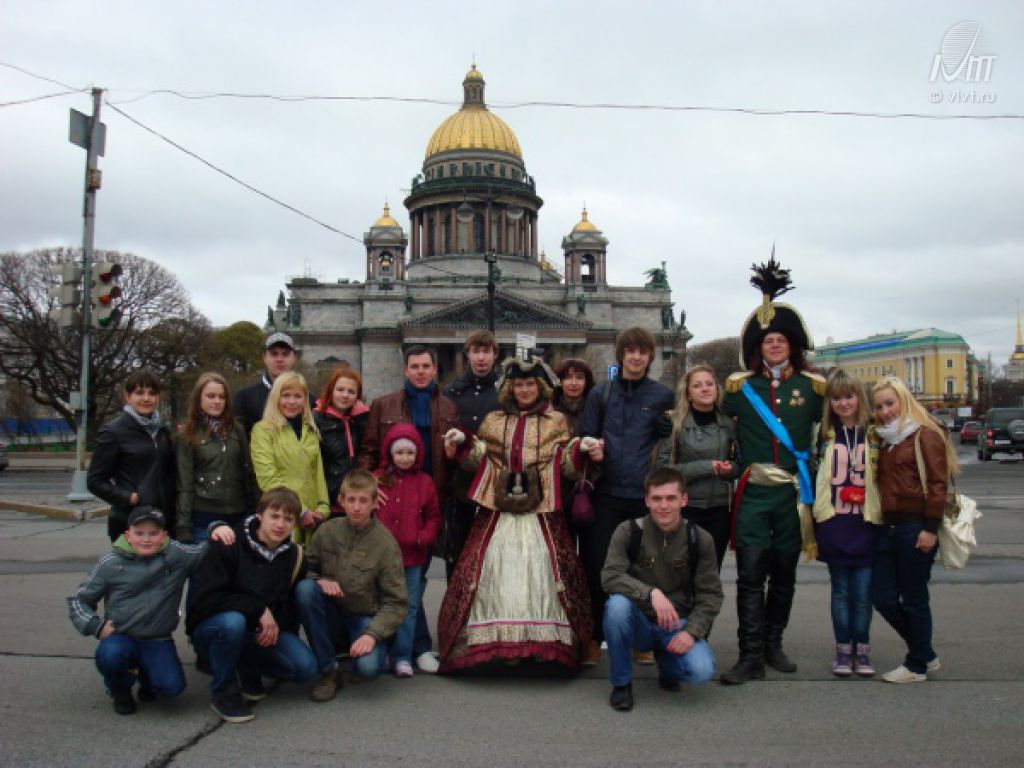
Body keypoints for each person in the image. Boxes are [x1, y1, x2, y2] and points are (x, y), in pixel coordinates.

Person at [437, 357, 600, 672]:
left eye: (529, 384)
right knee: (495, 571)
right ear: (510, 388)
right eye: (518, 385)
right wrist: (464, 441)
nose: (524, 390)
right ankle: (502, 643)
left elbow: (565, 466)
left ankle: (541, 644)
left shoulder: (556, 421)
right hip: (499, 511)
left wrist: (579, 450)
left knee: (545, 572)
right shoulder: (493, 420)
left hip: (542, 512)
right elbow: (479, 459)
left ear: (539, 387)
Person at [720, 256, 825, 685]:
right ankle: (749, 655)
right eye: (768, 341)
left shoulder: (813, 388)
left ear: (792, 345)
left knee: (784, 576)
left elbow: (834, 427)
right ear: (757, 348)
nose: (775, 346)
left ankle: (773, 644)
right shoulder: (740, 388)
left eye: (781, 340)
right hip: (754, 492)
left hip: (792, 496)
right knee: (749, 576)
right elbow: (710, 417)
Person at [68, 506, 235, 715]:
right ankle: (120, 690)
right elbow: (79, 599)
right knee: (111, 656)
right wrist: (96, 626)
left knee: (172, 688)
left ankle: (147, 678)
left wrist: (217, 528)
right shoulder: (111, 563)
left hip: (158, 638)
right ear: (128, 535)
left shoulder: (176, 554)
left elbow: (204, 551)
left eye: (153, 533)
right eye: (139, 533)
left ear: (163, 535)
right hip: (121, 635)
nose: (146, 539)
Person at [359, 345, 460, 673]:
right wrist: (369, 488)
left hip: (428, 501)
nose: (420, 372)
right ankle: (409, 648)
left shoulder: (448, 407)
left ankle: (411, 648)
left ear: (434, 369)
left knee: (416, 582)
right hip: (391, 502)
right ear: (405, 370)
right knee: (392, 584)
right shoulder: (383, 404)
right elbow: (368, 452)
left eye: (425, 366)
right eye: (414, 366)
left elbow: (455, 460)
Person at [580, 327, 674, 666]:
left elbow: (672, 444)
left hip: (643, 496)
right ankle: (594, 637)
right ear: (620, 355)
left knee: (645, 570)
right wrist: (591, 448)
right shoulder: (601, 393)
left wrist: (668, 431)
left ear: (649, 356)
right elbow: (585, 436)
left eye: (642, 351)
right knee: (598, 567)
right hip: (605, 494)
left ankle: (641, 639)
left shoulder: (662, 395)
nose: (635, 357)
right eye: (630, 351)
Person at [186, 487, 318, 723]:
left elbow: (288, 607)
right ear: (259, 515)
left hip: (256, 632)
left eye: (288, 519)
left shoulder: (294, 556)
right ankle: (223, 692)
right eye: (274, 516)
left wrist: (275, 630)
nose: (280, 524)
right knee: (233, 623)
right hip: (216, 626)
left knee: (304, 667)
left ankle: (247, 667)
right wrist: (258, 610)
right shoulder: (229, 543)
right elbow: (206, 599)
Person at [601, 467, 722, 711]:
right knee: (616, 607)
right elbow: (610, 576)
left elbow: (710, 595)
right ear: (647, 500)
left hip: (677, 623)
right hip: (639, 621)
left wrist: (692, 632)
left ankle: (668, 663)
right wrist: (650, 593)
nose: (663, 506)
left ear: (683, 500)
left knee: (701, 671)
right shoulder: (628, 531)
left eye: (671, 498)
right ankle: (622, 683)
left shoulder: (700, 539)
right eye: (656, 499)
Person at [870, 374, 957, 683]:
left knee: (914, 598)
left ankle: (917, 665)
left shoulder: (925, 434)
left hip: (916, 526)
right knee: (882, 597)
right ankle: (925, 652)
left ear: (904, 400)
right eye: (879, 406)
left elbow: (938, 484)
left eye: (890, 403)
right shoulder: (886, 440)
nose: (885, 412)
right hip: (889, 528)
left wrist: (930, 528)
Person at [295, 471, 408, 701]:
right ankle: (329, 671)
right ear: (341, 501)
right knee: (305, 590)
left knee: (369, 668)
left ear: (375, 503)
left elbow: (396, 602)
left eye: (363, 501)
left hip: (363, 617)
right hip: (331, 613)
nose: (356, 507)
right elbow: (305, 569)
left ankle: (370, 650)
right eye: (351, 500)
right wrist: (319, 581)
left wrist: (372, 636)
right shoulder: (326, 531)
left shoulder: (385, 544)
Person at [813, 368, 882, 677]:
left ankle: (862, 649)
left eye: (849, 396)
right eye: (837, 398)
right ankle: (843, 649)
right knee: (840, 590)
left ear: (859, 397)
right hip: (834, 521)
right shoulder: (824, 434)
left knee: (864, 593)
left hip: (866, 522)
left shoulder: (875, 433)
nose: (843, 403)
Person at [372, 425, 441, 677]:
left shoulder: (425, 482)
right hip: (382, 557)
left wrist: (423, 537)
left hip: (413, 555)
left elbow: (433, 516)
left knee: (409, 606)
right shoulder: (376, 479)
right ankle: (381, 651)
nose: (404, 458)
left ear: (418, 454)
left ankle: (402, 655)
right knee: (380, 603)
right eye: (399, 452)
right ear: (390, 454)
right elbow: (357, 504)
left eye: (410, 453)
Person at [654, 364, 738, 569]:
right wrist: (707, 467)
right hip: (686, 508)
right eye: (697, 385)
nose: (705, 389)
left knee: (710, 571)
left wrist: (730, 469)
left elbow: (739, 463)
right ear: (688, 393)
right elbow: (663, 469)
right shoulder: (673, 422)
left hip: (720, 509)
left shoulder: (729, 424)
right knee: (681, 572)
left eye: (710, 384)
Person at [87, 369, 177, 542]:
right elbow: (95, 481)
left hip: (164, 521)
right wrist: (128, 497)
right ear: (127, 397)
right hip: (130, 522)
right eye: (139, 392)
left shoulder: (163, 431)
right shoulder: (113, 432)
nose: (146, 398)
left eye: (152, 393)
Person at [442, 331, 501, 580]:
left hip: (496, 486)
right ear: (467, 354)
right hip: (461, 487)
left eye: (486, 351)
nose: (481, 358)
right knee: (459, 556)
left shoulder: (506, 391)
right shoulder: (451, 392)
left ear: (495, 355)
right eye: (476, 351)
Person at [250, 372, 330, 546]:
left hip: (312, 521)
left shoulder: (311, 431)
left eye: (298, 396)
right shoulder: (263, 430)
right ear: (276, 397)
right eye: (286, 395)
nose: (292, 402)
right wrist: (300, 511)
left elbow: (317, 474)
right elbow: (268, 478)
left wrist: (323, 508)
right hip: (281, 516)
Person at [176, 372, 258, 543]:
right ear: (199, 398)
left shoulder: (237, 429)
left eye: (222, 396)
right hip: (204, 516)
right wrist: (183, 526)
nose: (217, 401)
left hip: (238, 514)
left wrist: (254, 510)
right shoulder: (187, 434)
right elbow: (185, 484)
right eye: (211, 396)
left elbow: (248, 472)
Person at [552, 358, 596, 545]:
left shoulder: (596, 408)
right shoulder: (550, 410)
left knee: (590, 547)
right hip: (559, 489)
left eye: (579, 377)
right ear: (559, 381)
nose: (573, 383)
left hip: (590, 487)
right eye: (568, 378)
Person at [314, 366, 370, 515]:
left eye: (351, 392)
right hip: (327, 500)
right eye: (340, 390)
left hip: (354, 498)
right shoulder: (317, 419)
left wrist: (362, 421)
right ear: (331, 391)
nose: (345, 395)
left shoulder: (358, 420)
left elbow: (368, 451)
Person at [235, 332, 313, 435]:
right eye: (274, 354)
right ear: (264, 357)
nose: (279, 359)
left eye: (285, 354)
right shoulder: (244, 398)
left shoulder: (310, 400)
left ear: (294, 358)